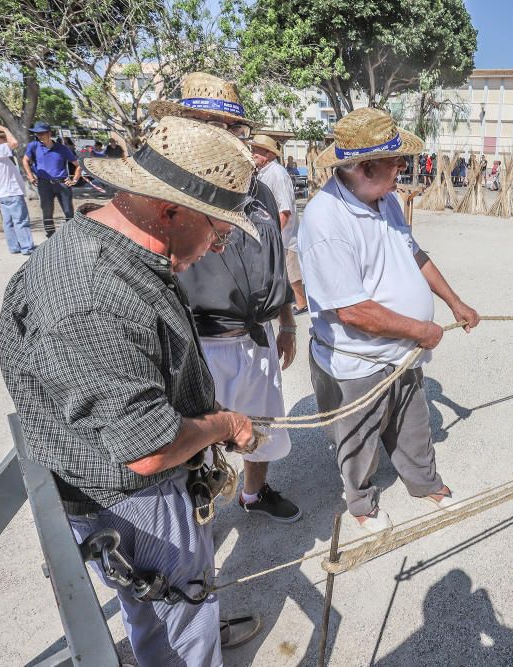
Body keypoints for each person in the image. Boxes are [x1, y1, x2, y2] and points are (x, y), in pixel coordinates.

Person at [0, 116, 264, 666]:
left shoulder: (116, 252)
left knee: (162, 610)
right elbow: (148, 450)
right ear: (171, 211)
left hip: (123, 488)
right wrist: (224, 424)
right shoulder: (94, 296)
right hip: (131, 498)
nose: (218, 246)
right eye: (218, 230)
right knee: (181, 613)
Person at [300, 107, 480, 533]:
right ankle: (360, 503)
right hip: (359, 359)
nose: (403, 167)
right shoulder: (324, 220)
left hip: (403, 352)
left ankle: (424, 482)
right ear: (364, 167)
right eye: (396, 160)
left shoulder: (388, 200)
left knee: (412, 422)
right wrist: (423, 330)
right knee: (358, 437)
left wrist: (455, 303)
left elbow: (414, 254)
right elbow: (352, 311)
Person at [154, 73, 303, 521]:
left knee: (262, 432)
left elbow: (274, 258)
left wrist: (288, 321)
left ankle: (255, 496)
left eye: (232, 128)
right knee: (193, 445)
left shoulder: (257, 189)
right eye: (209, 124)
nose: (226, 137)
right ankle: (194, 521)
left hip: (254, 338)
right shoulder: (166, 189)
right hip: (196, 344)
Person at [250, 134, 308, 313]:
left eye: (257, 151)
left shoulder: (277, 174)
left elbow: (285, 211)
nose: (253, 153)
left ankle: (302, 303)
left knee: (292, 272)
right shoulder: (264, 173)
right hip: (273, 231)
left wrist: (274, 235)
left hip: (283, 234)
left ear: (268, 154)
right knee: (281, 271)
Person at [0, 125, 35, 255]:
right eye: (0, 138)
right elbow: (14, 143)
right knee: (21, 220)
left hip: (3, 193)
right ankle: (27, 247)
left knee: (9, 222)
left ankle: (14, 246)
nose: (4, 140)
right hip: (11, 192)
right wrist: (5, 129)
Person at [22, 121, 81, 238]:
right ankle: (50, 235)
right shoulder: (33, 146)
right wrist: (30, 176)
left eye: (41, 133)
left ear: (49, 133)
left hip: (62, 183)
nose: (39, 136)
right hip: (44, 184)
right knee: (47, 211)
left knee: (68, 211)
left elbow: (78, 165)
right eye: (37, 134)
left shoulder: (62, 148)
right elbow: (25, 161)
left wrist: (74, 180)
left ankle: (71, 234)